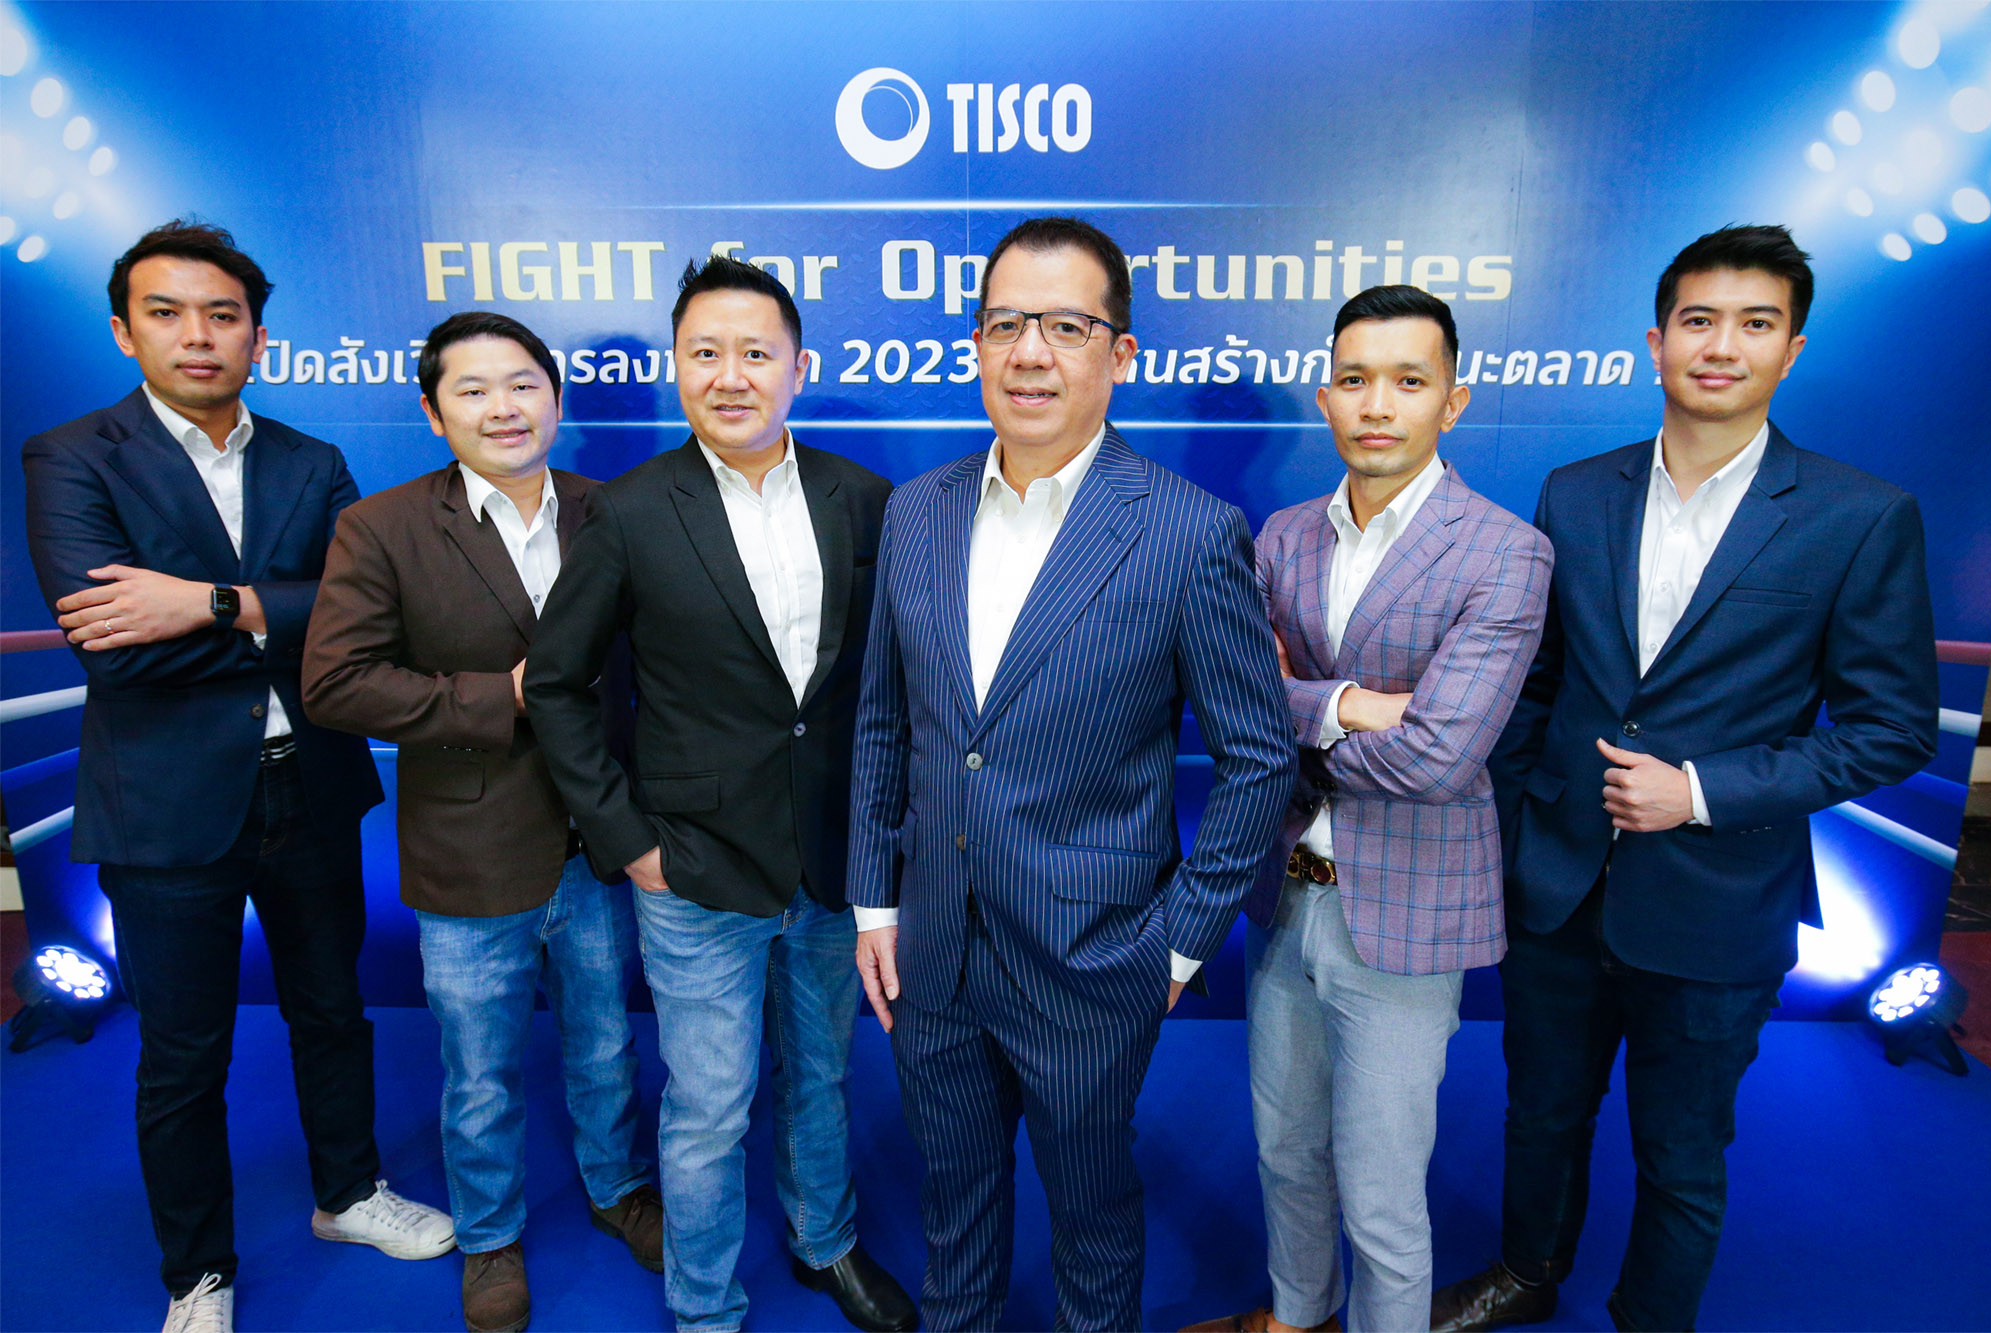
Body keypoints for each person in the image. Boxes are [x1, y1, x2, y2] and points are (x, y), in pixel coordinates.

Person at [1431, 225, 1939, 1332]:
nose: (1721, 346)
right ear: (1656, 341)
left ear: (1790, 350)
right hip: (1558, 885)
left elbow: (1890, 728)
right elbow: (1535, 683)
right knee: (1539, 1112)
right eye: (1698, 320)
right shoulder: (1576, 492)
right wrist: (1512, 835)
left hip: (1718, 900)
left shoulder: (1859, 516)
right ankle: (1524, 1273)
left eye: (1755, 323)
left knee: (1681, 1151)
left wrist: (1698, 790)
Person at [847, 215, 1297, 1332]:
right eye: (1005, 324)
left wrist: (1178, 942)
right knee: (953, 1207)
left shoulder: (1188, 533)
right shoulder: (916, 511)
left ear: (1120, 353)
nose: (1030, 352)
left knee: (1093, 1215)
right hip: (932, 948)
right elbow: (883, 720)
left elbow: (1257, 756)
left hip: (1097, 959)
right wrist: (875, 902)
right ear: (976, 345)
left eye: (1065, 325)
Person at [19, 220, 451, 1333]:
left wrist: (205, 603)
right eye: (166, 313)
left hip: (310, 781)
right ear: (125, 331)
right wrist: (277, 620)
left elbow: (364, 616)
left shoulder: (311, 460)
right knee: (182, 1052)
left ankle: (349, 1193)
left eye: (222, 315)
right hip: (164, 803)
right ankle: (197, 1272)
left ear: (259, 337)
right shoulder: (72, 456)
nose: (197, 335)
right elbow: (115, 647)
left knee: (332, 1008)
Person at [524, 256, 917, 1333]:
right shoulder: (629, 510)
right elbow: (556, 685)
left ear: (799, 368)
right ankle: (703, 1305)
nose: (729, 375)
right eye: (705, 352)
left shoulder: (864, 499)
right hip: (691, 864)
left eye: (755, 353)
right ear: (676, 366)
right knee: (706, 1106)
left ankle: (824, 1242)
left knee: (821, 1076)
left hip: (831, 860)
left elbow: (883, 685)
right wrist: (627, 841)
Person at [1187, 287, 1551, 1333]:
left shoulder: (1504, 551)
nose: (1376, 404)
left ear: (1452, 400)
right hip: (1285, 895)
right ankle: (1299, 1316)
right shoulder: (1282, 537)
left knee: (1382, 1187)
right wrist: (1353, 705)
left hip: (1407, 911)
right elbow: (1233, 705)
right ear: (1325, 395)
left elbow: (1438, 757)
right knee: (1284, 1149)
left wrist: (1297, 701)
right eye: (1353, 379)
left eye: (1407, 380)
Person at [301, 311, 661, 1333]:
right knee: (480, 1070)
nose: (503, 407)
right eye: (472, 389)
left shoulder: (612, 509)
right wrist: (499, 694)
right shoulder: (382, 527)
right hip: (468, 848)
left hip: (600, 842)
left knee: (605, 1044)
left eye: (522, 384)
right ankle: (492, 1235)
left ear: (554, 397)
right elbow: (335, 683)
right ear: (433, 411)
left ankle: (617, 1189)